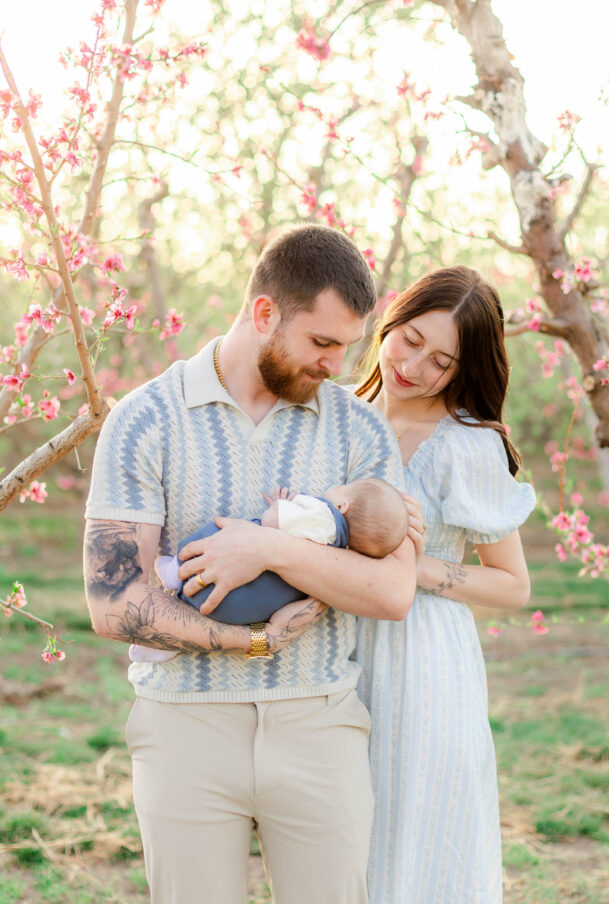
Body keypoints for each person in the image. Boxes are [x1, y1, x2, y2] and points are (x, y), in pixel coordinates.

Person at [83, 224, 416, 904]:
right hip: (185, 727)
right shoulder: (144, 418)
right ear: (264, 313)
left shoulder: (358, 429)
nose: (334, 365)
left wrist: (266, 547)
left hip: (319, 722)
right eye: (321, 343)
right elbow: (113, 600)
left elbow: (391, 591)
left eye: (345, 348)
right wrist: (247, 640)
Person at [354, 265, 536, 904]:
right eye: (410, 339)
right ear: (391, 319)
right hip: (332, 654)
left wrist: (419, 567)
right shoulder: (337, 417)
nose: (414, 367)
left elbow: (513, 586)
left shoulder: (466, 445)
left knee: (415, 838)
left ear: (461, 372)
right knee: (341, 846)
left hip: (421, 662)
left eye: (442, 361)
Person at [129, 478, 409, 662]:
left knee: (227, 531)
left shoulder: (323, 513)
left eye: (343, 488)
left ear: (342, 505)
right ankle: (167, 645)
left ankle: (175, 571)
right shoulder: (340, 555)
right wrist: (265, 638)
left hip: (214, 583)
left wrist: (279, 506)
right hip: (244, 613)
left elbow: (271, 521)